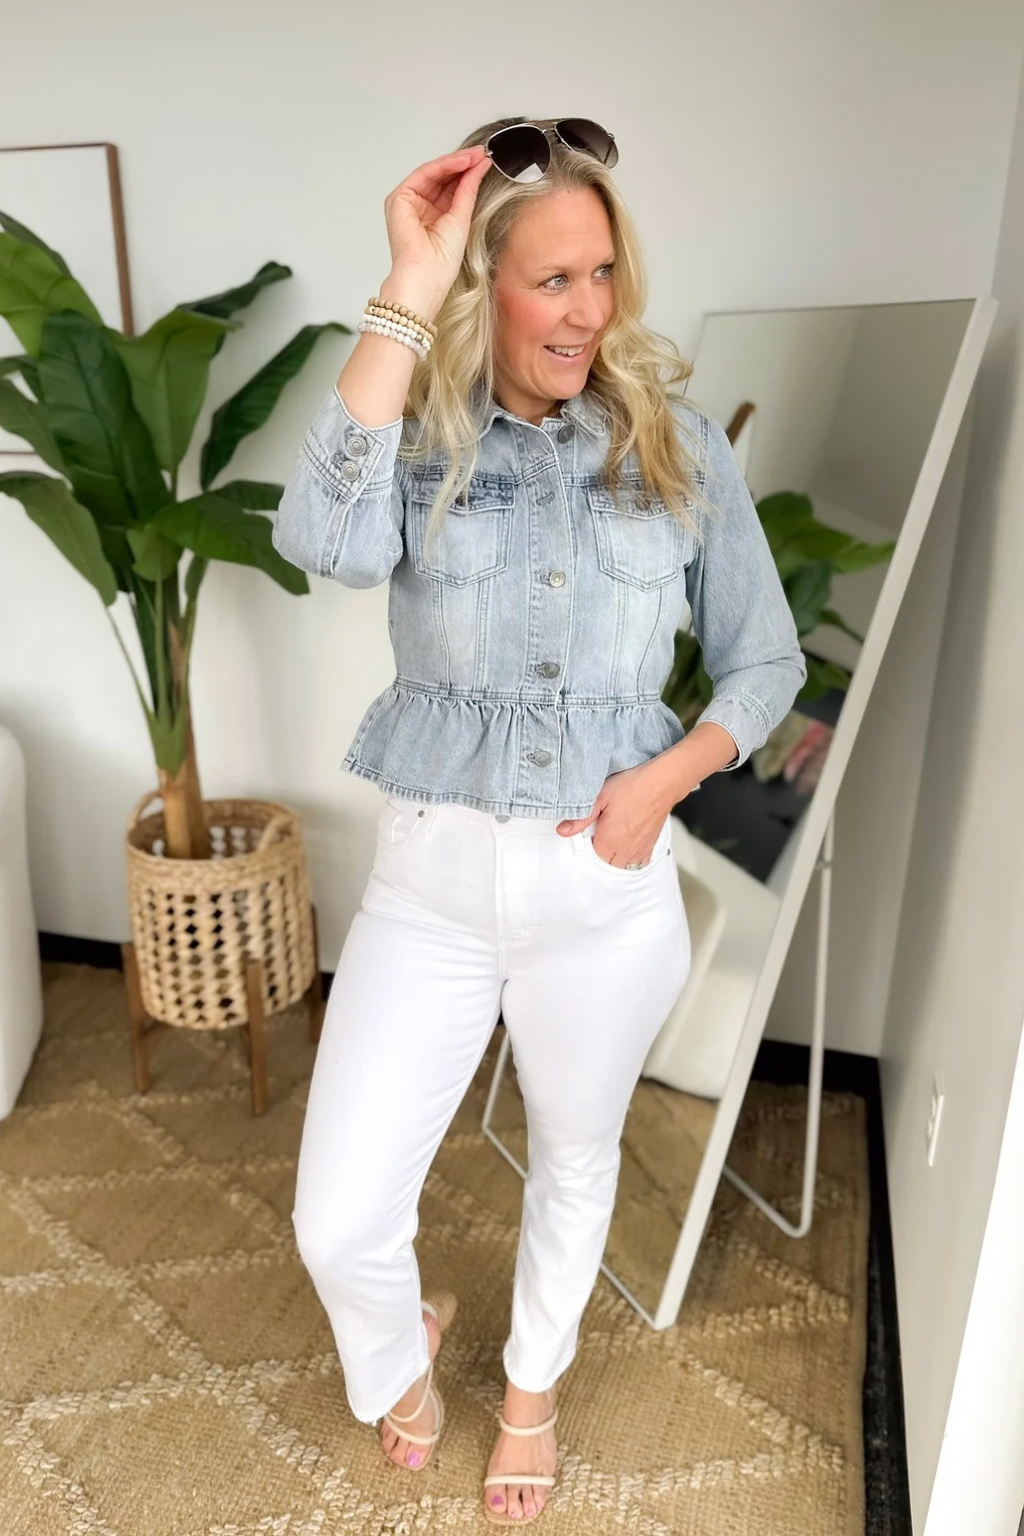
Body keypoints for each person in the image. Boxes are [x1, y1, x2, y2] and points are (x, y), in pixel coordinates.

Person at [271, 116, 807, 1527]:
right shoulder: (419, 436)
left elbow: (765, 664)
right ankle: (402, 1343)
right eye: (552, 280)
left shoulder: (676, 445)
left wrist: (664, 779)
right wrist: (409, 277)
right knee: (336, 1216)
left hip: (602, 889)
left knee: (573, 1157)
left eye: (603, 274)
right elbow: (316, 539)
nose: (587, 312)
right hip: (431, 886)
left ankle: (531, 1394)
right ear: (486, 286)